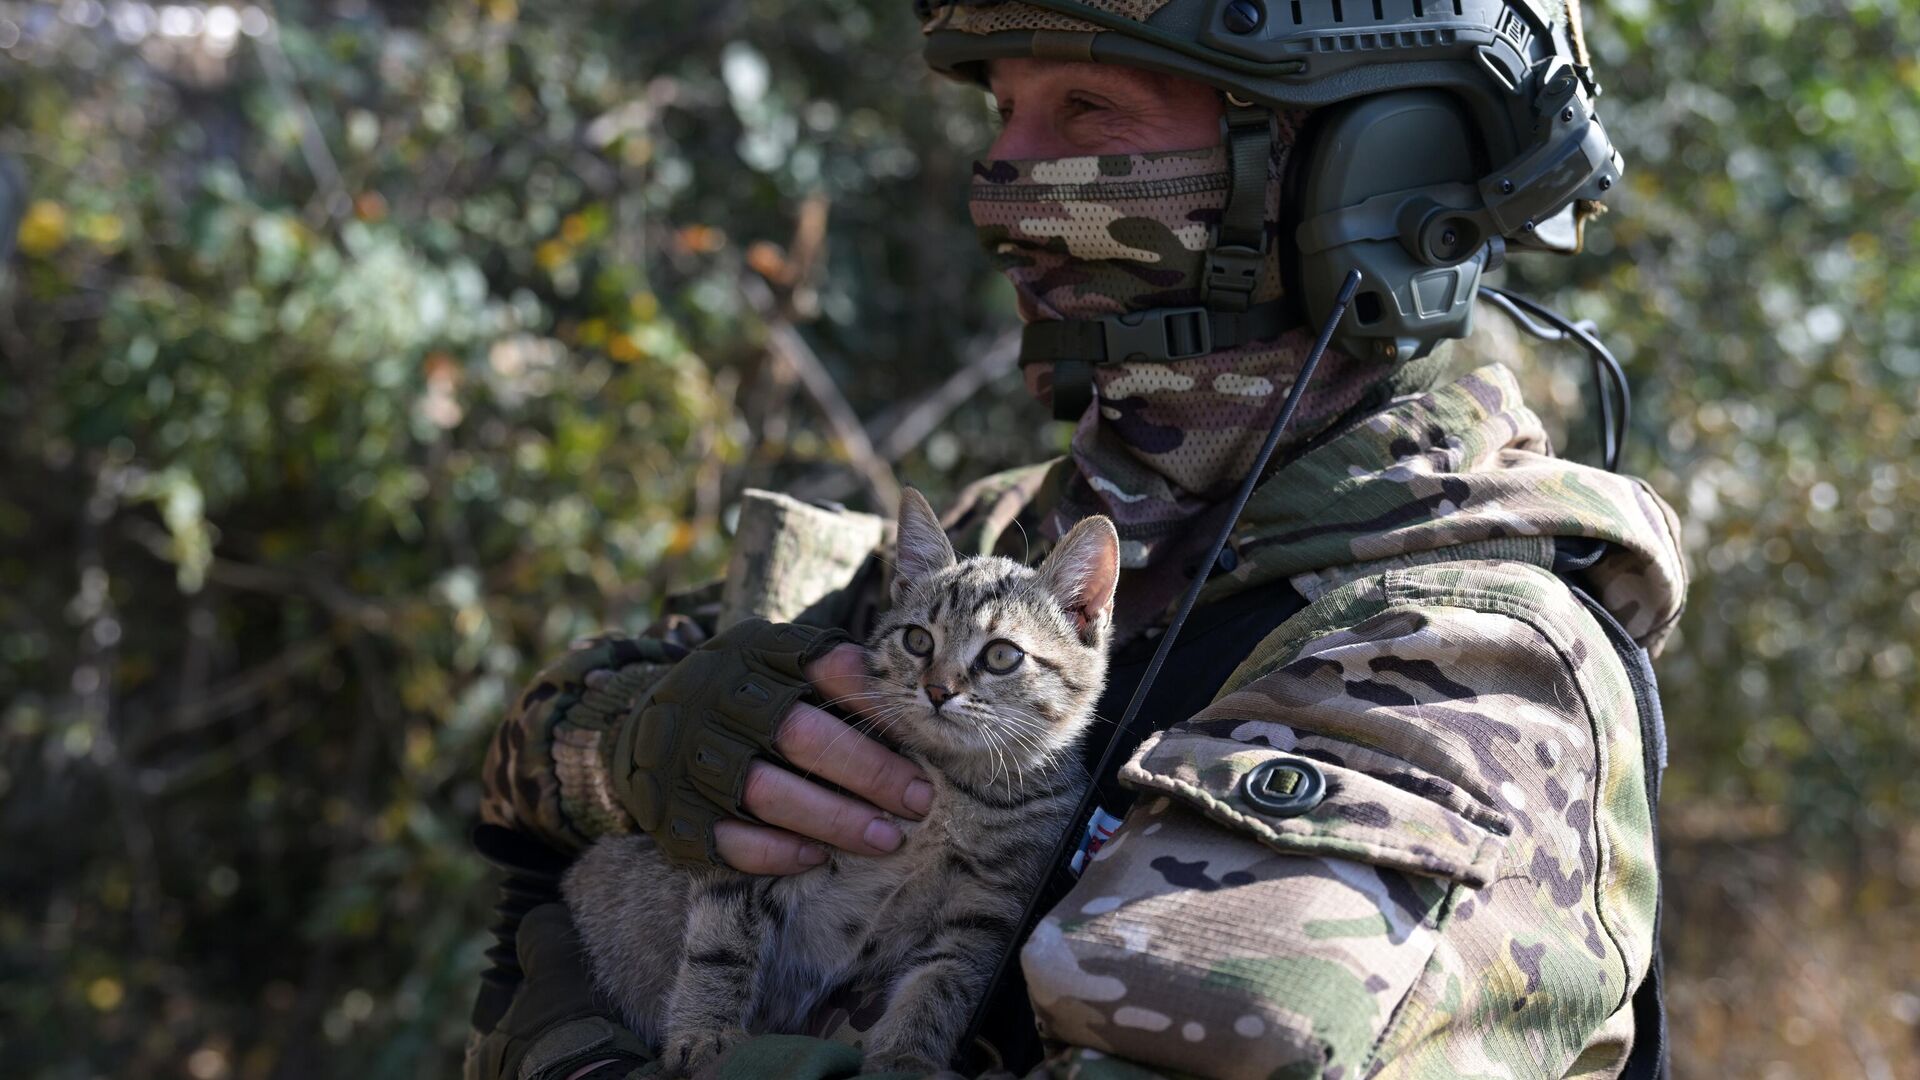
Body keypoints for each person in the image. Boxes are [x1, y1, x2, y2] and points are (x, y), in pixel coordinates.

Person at [464, 1, 1687, 1077]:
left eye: (1089, 107)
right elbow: (521, 764)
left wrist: (573, 1049)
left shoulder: (1468, 668)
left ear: (1364, 174)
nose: (1006, 177)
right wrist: (632, 748)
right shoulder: (994, 539)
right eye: (1003, 111)